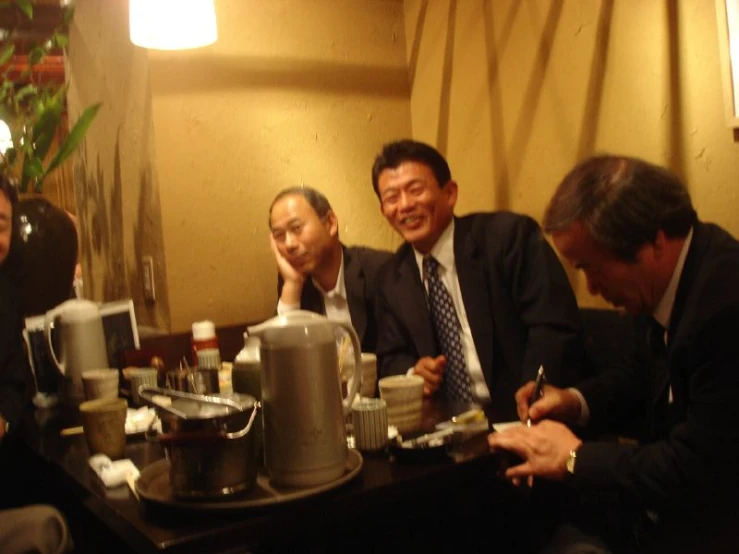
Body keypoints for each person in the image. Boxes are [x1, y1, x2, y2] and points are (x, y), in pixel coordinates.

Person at [488, 155, 739, 553]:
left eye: (592, 267)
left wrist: (574, 458)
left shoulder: (725, 303)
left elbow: (701, 467)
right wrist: (572, 401)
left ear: (654, 240)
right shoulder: (665, 282)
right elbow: (642, 374)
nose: (589, 288)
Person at [371, 139, 585, 421]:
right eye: (391, 197)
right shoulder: (391, 277)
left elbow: (552, 328)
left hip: (523, 417)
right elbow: (390, 356)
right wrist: (414, 372)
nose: (405, 205)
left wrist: (533, 405)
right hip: (447, 428)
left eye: (415, 190)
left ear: (449, 193)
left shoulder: (508, 239)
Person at [0, 177, 73, 554]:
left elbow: (17, 382)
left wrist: (4, 419)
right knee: (49, 528)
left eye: (1, 224)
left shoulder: (5, 295)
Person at [269, 186, 392, 354]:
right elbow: (282, 360)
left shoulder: (379, 270)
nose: (289, 244)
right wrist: (292, 286)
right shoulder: (294, 281)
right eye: (279, 235)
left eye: (296, 228)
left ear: (330, 223)